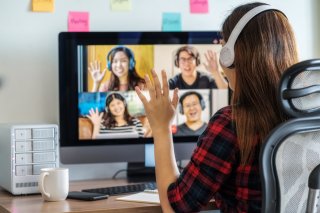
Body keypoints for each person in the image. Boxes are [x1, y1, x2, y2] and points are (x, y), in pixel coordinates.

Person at [135, 2, 299, 212]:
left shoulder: (232, 124)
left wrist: (160, 127)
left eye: (223, 46)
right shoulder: (307, 115)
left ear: (229, 56)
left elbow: (175, 208)